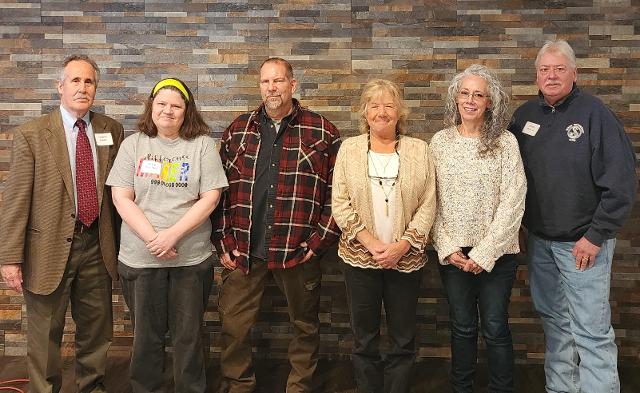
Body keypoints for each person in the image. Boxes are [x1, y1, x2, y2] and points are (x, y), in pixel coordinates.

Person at [509, 40, 637, 393]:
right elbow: (509, 178)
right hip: (540, 244)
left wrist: (596, 236)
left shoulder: (595, 115)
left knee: (591, 330)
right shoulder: (523, 118)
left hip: (583, 244)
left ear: (574, 73)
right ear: (536, 76)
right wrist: (518, 227)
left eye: (559, 69)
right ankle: (561, 388)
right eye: (545, 70)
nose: (551, 76)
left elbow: (622, 182)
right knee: (556, 324)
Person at [211, 57, 341, 393]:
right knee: (234, 327)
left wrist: (317, 244)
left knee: (304, 326)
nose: (272, 87)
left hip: (297, 251)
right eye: (266, 82)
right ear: (260, 86)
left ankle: (300, 387)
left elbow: (338, 195)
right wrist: (223, 241)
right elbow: (217, 190)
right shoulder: (237, 130)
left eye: (279, 81)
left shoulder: (322, 131)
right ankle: (239, 384)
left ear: (293, 85)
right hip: (244, 250)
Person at [0, 55, 123, 393]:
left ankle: (92, 388)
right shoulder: (32, 134)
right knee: (44, 338)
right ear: (60, 86)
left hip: (98, 245)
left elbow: (119, 191)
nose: (83, 88)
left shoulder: (111, 130)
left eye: (89, 82)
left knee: (97, 332)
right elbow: (15, 199)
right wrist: (10, 258)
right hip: (47, 248)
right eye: (76, 81)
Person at [106, 77, 228, 392]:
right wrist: (154, 239)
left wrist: (172, 235)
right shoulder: (133, 144)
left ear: (187, 111)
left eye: (176, 105)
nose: (168, 111)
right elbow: (121, 197)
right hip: (141, 259)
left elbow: (211, 198)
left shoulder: (201, 144)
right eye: (162, 104)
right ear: (152, 107)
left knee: (188, 334)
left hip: (189, 258)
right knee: (146, 335)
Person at [331, 79, 436, 393]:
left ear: (399, 111)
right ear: (364, 112)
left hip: (406, 261)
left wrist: (402, 246)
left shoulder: (420, 150)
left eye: (389, 105)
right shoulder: (349, 149)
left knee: (403, 338)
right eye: (374, 105)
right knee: (364, 338)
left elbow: (429, 203)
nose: (382, 112)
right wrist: (372, 244)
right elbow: (340, 202)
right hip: (360, 260)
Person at [430, 64, 526, 393]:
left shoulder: (506, 142)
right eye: (465, 93)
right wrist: (447, 248)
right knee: (462, 327)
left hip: (498, 255)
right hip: (454, 255)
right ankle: (462, 388)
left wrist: (484, 253)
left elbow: (514, 201)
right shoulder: (440, 143)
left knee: (496, 326)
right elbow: (432, 202)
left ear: (490, 102)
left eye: (479, 95)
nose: (470, 100)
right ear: (455, 99)